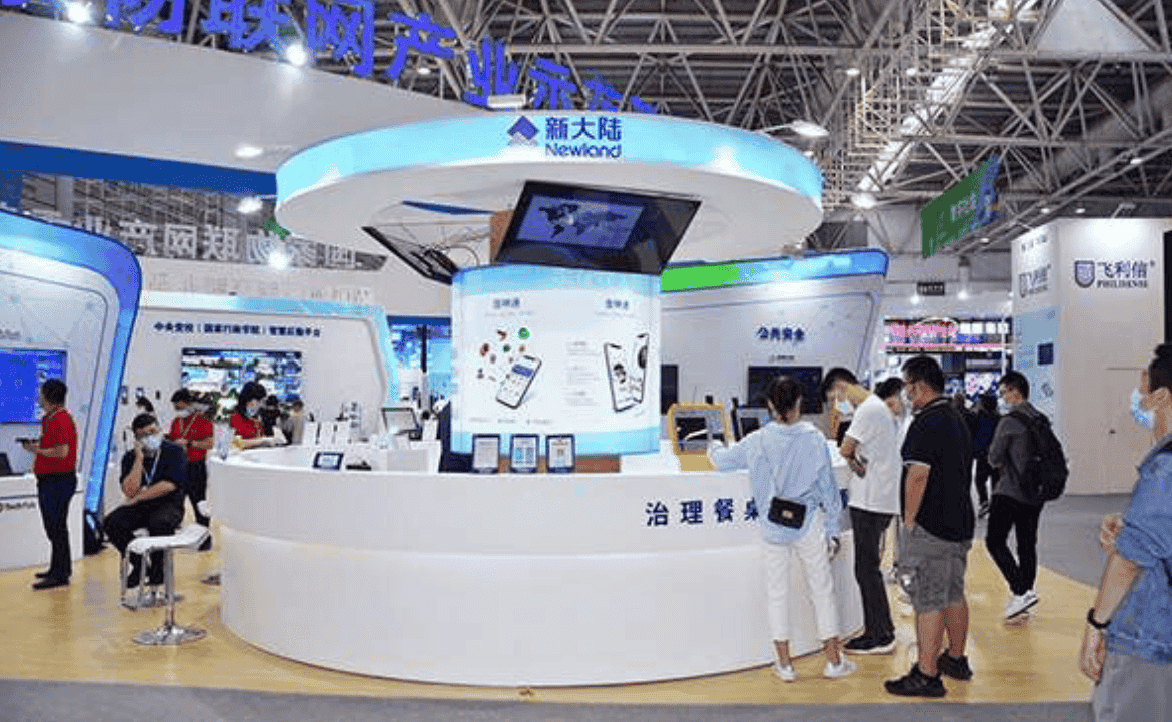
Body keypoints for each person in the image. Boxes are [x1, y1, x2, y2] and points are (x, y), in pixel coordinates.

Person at [710, 375, 855, 682]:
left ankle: (785, 665)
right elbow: (828, 490)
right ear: (799, 403)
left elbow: (722, 462)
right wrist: (832, 529)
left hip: (773, 526)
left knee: (777, 593)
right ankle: (833, 661)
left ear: (770, 405)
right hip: (809, 523)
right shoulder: (814, 438)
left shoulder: (757, 440)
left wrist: (714, 446)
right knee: (822, 591)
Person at [1080, 347, 1172, 720]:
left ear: (1161, 396)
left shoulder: (1164, 472)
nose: (1139, 398)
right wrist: (1133, 522)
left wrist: (1096, 624)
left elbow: (1130, 562)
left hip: (1153, 637)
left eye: (1143, 387)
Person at [885, 355, 975, 697]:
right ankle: (956, 658)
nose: (906, 394)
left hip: (932, 526)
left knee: (929, 600)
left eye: (907, 386)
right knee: (953, 593)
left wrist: (909, 523)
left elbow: (918, 476)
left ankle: (927, 673)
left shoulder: (926, 423)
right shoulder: (955, 416)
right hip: (959, 523)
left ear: (919, 386)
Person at [824, 368, 901, 655]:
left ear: (840, 387)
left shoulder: (867, 410)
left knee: (866, 569)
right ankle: (882, 629)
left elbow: (845, 448)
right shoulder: (876, 407)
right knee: (868, 568)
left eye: (834, 397)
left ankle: (879, 635)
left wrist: (855, 464)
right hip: (879, 498)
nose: (837, 404)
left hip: (870, 501)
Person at [985, 370, 1048, 620]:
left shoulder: (1010, 422)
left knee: (994, 541)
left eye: (1004, 392)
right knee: (1027, 544)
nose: (1002, 398)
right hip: (1035, 492)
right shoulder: (1040, 418)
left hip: (1010, 490)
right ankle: (1025, 594)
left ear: (1015, 391)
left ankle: (1020, 590)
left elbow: (993, 457)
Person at [103, 413, 187, 600]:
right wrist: (139, 460)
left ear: (159, 430)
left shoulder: (174, 451)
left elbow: (169, 485)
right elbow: (129, 490)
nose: (149, 437)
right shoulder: (130, 457)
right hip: (141, 506)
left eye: (152, 432)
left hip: (168, 504)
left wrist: (140, 497)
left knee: (159, 522)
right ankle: (139, 563)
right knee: (111, 522)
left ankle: (158, 573)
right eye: (143, 435)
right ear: (136, 438)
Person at [20, 379, 78, 590]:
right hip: (49, 480)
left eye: (41, 394)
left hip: (58, 480)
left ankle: (61, 573)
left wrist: (36, 450)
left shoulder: (61, 419)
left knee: (56, 526)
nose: (39, 398)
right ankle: (57, 567)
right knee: (53, 526)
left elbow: (62, 452)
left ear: (49, 397)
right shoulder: (49, 419)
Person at [168, 388, 214, 550]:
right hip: (179, 467)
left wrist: (190, 443)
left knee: (199, 503)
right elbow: (171, 439)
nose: (178, 410)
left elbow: (209, 443)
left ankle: (204, 539)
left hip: (196, 467)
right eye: (176, 407)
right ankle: (172, 538)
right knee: (175, 503)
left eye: (180, 407)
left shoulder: (203, 421)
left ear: (189, 404)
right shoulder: (176, 422)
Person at [971, 394, 1000, 519]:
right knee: (995, 481)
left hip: (983, 455)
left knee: (979, 480)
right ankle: (994, 506)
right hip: (996, 456)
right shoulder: (999, 419)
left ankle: (984, 502)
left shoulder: (978, 418)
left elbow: (974, 435)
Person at [230, 382, 274, 449]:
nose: (259, 404)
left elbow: (261, 437)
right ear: (247, 400)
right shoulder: (233, 417)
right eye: (257, 401)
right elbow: (234, 443)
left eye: (261, 401)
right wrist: (259, 441)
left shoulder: (257, 419)